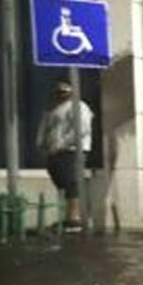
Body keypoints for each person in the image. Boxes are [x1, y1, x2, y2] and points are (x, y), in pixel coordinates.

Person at [35, 79, 93, 231]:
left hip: (71, 150)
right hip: (54, 151)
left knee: (71, 181)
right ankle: (67, 216)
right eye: (59, 91)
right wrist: (42, 145)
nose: (61, 94)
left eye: (65, 90)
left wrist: (61, 144)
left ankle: (74, 218)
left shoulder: (78, 107)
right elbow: (45, 128)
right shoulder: (53, 109)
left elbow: (80, 129)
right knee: (61, 181)